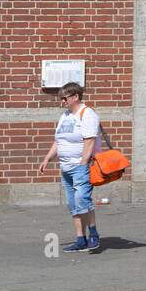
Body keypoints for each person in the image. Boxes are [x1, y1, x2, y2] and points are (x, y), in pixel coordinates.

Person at [39, 82, 101, 252]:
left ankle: (93, 234)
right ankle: (80, 239)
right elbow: (59, 141)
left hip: (81, 166)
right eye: (61, 99)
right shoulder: (65, 116)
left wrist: (82, 164)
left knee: (83, 200)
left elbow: (89, 141)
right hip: (66, 167)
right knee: (73, 204)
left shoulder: (87, 114)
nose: (62, 102)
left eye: (65, 98)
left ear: (75, 97)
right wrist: (47, 159)